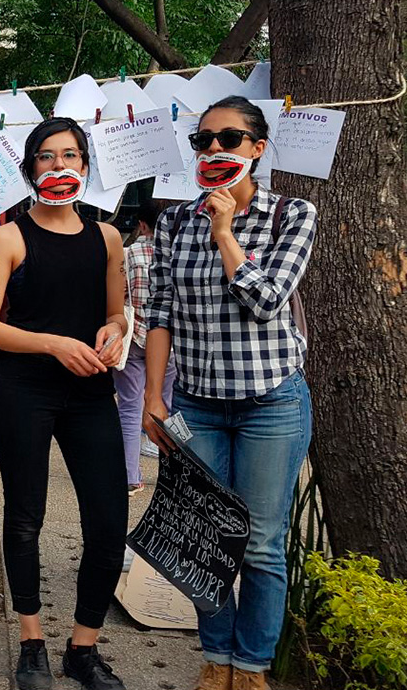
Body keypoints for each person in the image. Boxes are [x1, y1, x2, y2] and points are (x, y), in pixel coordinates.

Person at [142, 96, 316, 690]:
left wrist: (224, 232)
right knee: (204, 538)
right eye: (203, 140)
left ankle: (251, 668)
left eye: (229, 138)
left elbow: (266, 300)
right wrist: (154, 399)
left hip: (271, 403)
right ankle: (216, 659)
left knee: (262, 545)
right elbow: (161, 311)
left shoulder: (292, 214)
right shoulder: (173, 221)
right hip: (197, 405)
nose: (214, 148)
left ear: (257, 148)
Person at [0, 117, 129, 690]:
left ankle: (83, 648)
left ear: (85, 165)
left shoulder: (107, 238)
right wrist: (55, 343)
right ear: (30, 168)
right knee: (25, 518)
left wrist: (114, 331)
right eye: (45, 156)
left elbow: (115, 312)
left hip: (90, 391)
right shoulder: (8, 239)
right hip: (23, 390)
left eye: (69, 155)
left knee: (109, 521)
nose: (58, 166)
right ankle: (31, 642)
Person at [113, 200, 177, 496]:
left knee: (129, 406)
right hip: (169, 344)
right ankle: (171, 475)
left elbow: (118, 295)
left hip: (134, 339)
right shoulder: (179, 254)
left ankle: (129, 475)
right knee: (168, 407)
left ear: (142, 225)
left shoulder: (128, 254)